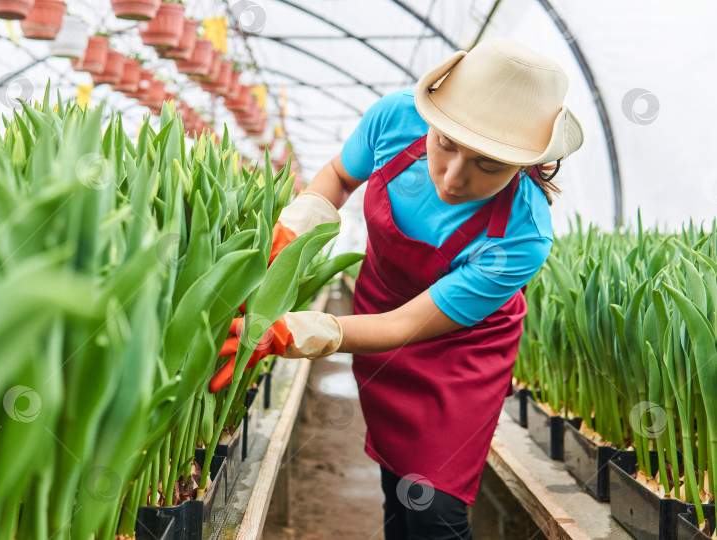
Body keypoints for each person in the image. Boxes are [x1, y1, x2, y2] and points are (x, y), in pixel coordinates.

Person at [212, 38, 583, 539]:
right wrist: (294, 228)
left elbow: (408, 325)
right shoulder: (395, 120)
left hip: (460, 351)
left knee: (434, 508)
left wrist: (296, 330)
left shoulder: (521, 235)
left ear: (524, 165)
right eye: (445, 144)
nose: (453, 177)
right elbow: (340, 177)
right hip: (374, 312)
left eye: (487, 165)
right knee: (398, 480)